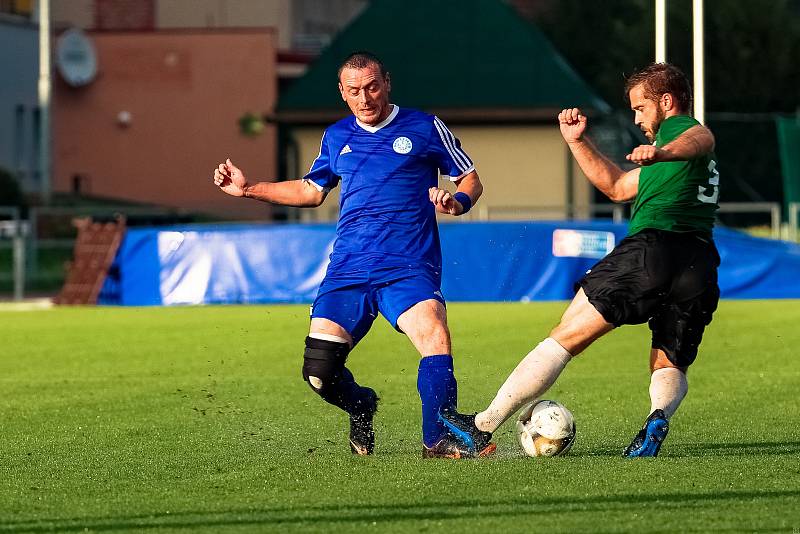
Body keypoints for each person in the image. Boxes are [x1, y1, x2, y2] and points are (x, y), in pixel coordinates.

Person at [213, 51, 492, 459]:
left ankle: (438, 437)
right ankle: (361, 405)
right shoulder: (336, 136)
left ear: (387, 83)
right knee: (319, 374)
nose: (365, 98)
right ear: (342, 93)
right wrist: (250, 188)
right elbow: (311, 190)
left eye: (372, 87)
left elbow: (469, 177)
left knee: (434, 335)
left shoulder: (424, 126)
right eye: (355, 90)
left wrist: (459, 202)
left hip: (407, 266)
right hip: (348, 270)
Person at [441, 62, 720, 457]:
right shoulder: (682, 165)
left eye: (640, 108)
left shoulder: (679, 135)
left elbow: (702, 136)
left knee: (566, 336)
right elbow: (618, 186)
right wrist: (577, 141)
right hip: (700, 265)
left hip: (653, 249)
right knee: (669, 358)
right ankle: (657, 418)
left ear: (667, 102)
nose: (637, 117)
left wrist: (662, 150)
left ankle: (482, 425)